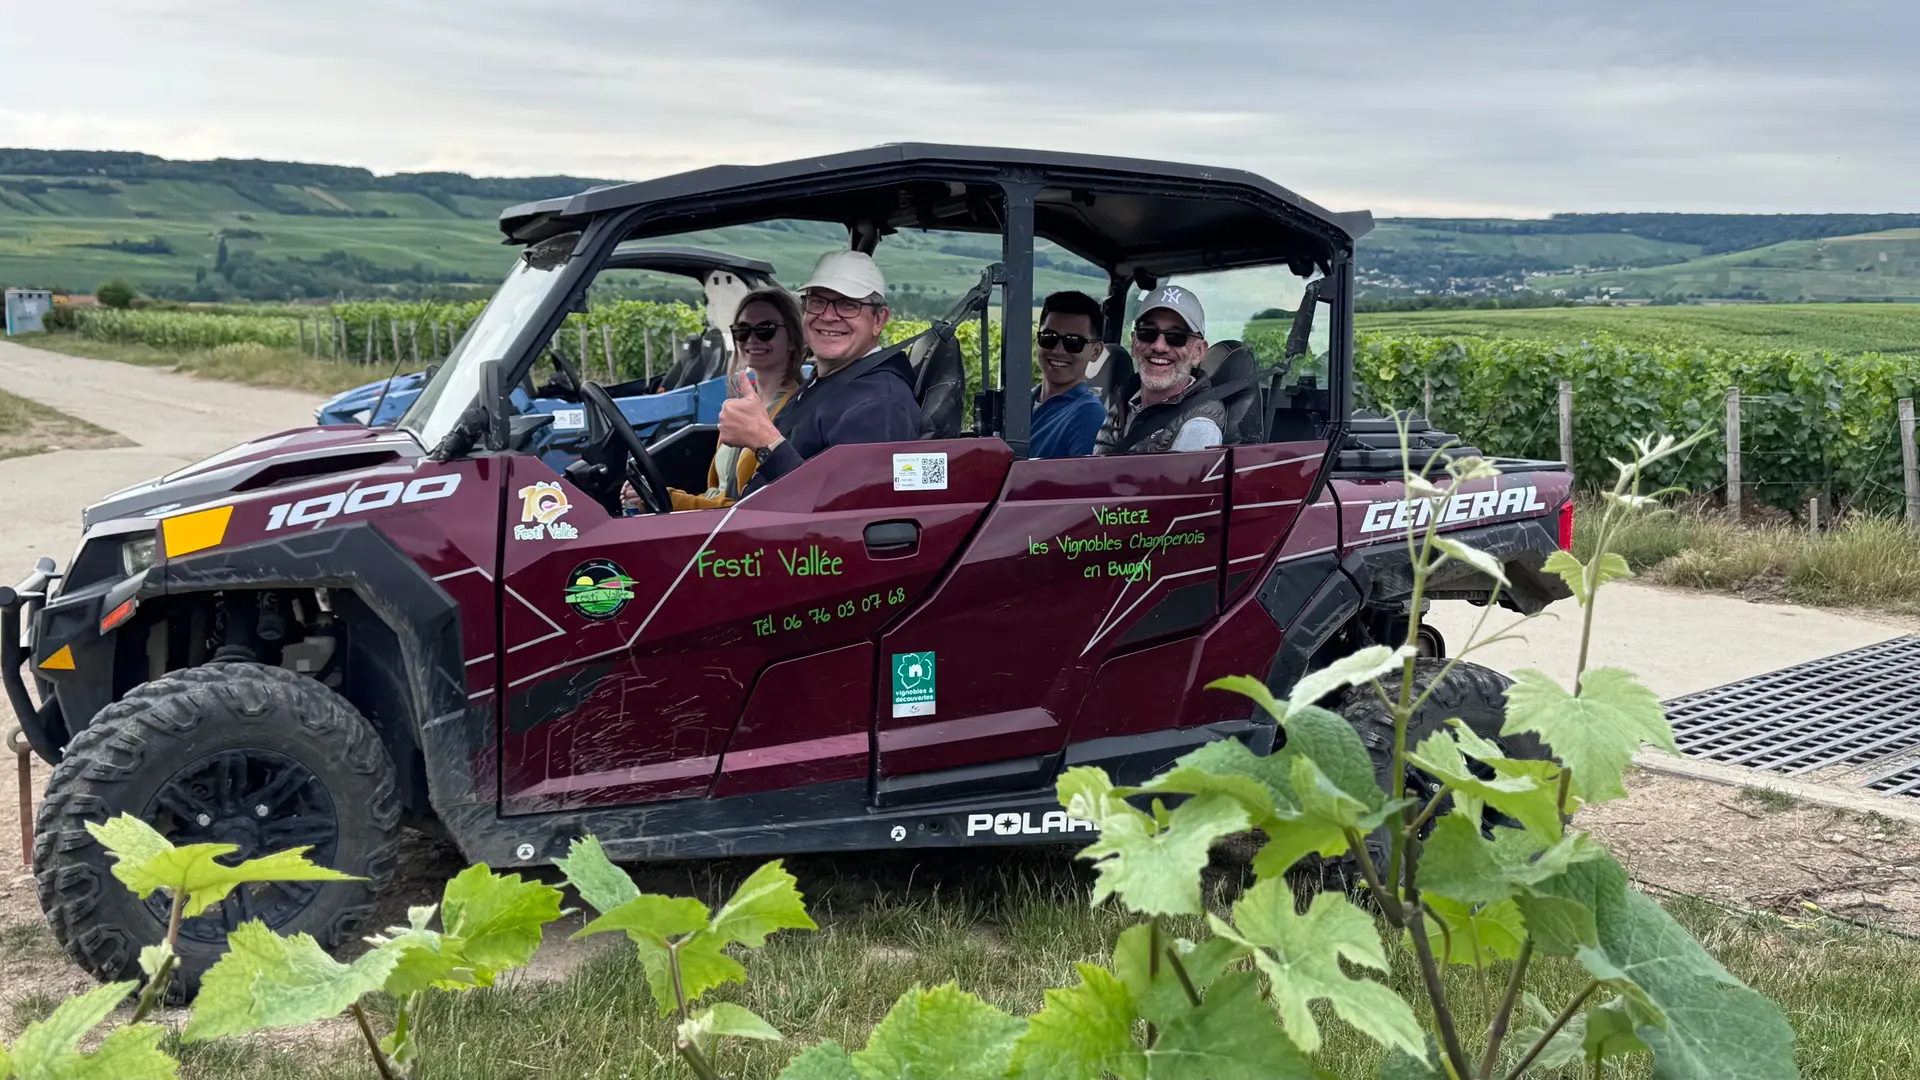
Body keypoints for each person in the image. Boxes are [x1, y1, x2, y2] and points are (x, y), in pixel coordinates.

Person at [718, 250, 922, 490]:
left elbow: (848, 513)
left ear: (879, 320)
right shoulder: (830, 383)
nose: (827, 316)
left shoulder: (879, 404)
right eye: (817, 302)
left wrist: (766, 444)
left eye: (848, 305)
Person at [665, 289, 807, 509]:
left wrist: (670, 501)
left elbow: (742, 507)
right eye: (742, 330)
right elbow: (717, 493)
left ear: (792, 339)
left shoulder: (795, 414)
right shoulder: (740, 405)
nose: (751, 339)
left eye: (765, 330)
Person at [1093, 284, 1226, 455]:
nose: (1159, 346)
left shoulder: (1197, 427)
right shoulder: (1123, 402)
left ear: (1198, 352)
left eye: (1176, 337)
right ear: (1134, 342)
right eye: (1147, 332)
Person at [1028, 290, 1109, 459]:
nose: (1058, 350)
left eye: (1073, 342)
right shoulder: (1020, 404)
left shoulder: (1088, 415)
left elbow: (1081, 483)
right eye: (1049, 337)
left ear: (1095, 351)